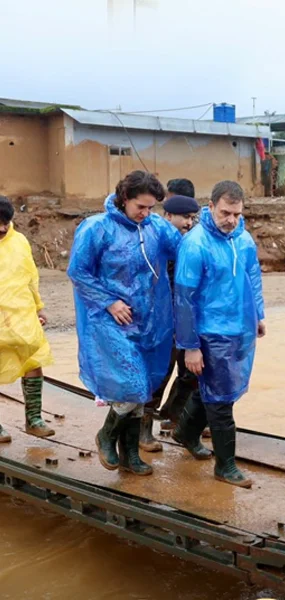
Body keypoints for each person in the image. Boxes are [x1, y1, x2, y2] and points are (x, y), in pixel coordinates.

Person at [68, 170, 181, 476]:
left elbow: (186, 249)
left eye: (150, 208)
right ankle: (107, 434)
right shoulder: (96, 228)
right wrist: (110, 302)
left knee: (142, 390)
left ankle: (131, 455)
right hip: (110, 320)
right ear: (124, 199)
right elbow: (78, 272)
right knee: (130, 385)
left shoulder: (155, 227)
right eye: (140, 207)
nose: (145, 214)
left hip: (148, 321)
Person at [172, 181, 265, 488]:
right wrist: (190, 346)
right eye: (225, 212)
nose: (231, 220)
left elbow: (252, 279)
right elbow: (184, 297)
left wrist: (258, 315)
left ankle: (185, 431)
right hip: (209, 332)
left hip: (238, 328)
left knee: (213, 389)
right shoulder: (196, 244)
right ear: (210, 207)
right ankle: (225, 465)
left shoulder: (243, 240)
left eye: (237, 214)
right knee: (222, 400)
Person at [138, 192, 202, 451]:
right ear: (168, 216)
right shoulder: (157, 244)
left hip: (187, 322)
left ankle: (175, 418)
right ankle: (143, 431)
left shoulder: (192, 244)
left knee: (190, 375)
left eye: (192, 218)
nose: (189, 222)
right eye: (184, 217)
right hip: (161, 323)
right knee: (159, 375)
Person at [0, 195, 55, 442]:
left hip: (22, 313)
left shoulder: (20, 241)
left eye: (6, 222)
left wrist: (38, 307)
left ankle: (34, 418)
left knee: (33, 360)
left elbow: (31, 277)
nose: (2, 228)